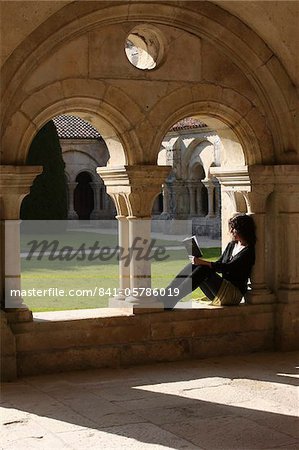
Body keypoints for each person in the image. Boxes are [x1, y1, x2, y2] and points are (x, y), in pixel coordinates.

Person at [160, 213, 256, 309]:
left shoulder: (248, 251)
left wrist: (203, 263)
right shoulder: (232, 245)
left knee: (203, 269)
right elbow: (220, 263)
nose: (231, 231)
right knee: (193, 266)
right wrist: (200, 261)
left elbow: (228, 268)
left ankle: (170, 301)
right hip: (219, 290)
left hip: (233, 295)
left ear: (242, 230)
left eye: (233, 228)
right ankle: (166, 295)